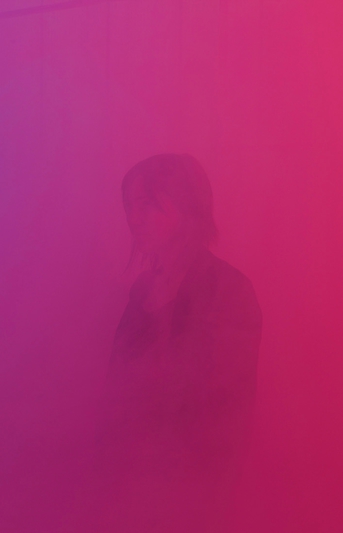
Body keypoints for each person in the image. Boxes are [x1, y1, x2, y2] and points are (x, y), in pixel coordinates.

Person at [92, 154, 262, 532]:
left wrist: (205, 501)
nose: (133, 219)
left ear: (187, 207)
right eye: (129, 206)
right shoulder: (140, 292)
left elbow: (228, 414)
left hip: (191, 497)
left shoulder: (228, 290)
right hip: (126, 492)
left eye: (148, 204)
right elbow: (116, 393)